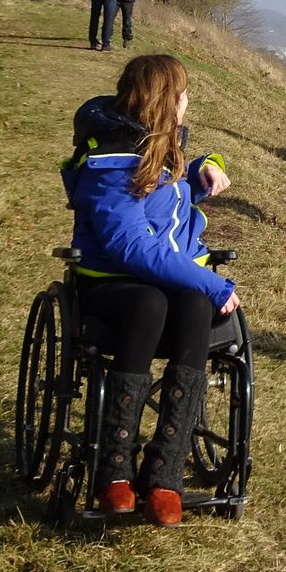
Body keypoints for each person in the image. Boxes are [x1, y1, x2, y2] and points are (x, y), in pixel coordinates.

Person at [61, 53, 239, 526]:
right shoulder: (112, 157)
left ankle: (165, 471)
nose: (188, 102)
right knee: (152, 301)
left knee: (194, 305)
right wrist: (214, 281)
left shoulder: (159, 142)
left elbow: (167, 194)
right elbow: (130, 247)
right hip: (112, 284)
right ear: (164, 101)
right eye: (182, 94)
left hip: (162, 274)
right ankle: (114, 468)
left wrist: (206, 167)